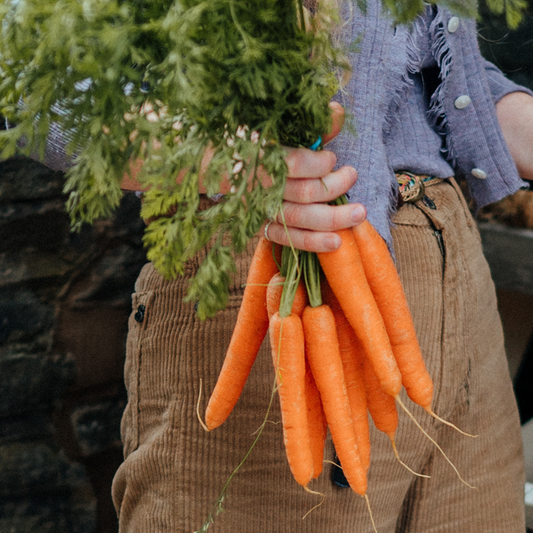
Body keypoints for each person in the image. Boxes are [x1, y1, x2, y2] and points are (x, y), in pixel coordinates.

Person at [29, 1, 533, 531]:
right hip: (270, 270)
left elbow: (414, 68)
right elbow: (35, 79)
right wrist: (229, 160)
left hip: (458, 288)